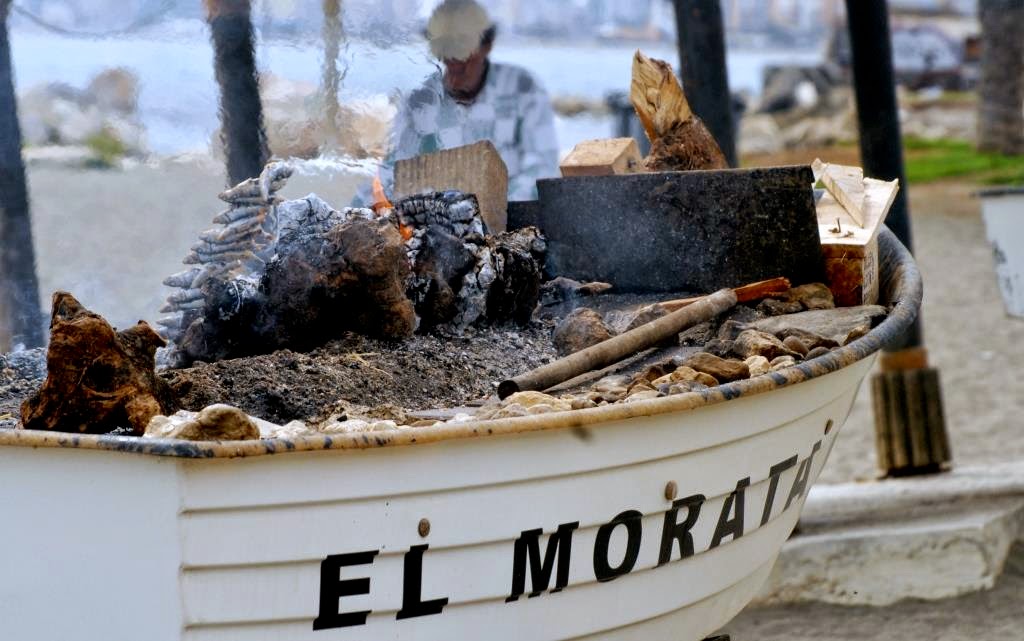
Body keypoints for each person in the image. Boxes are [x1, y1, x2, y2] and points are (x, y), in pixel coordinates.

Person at [355, 0, 559, 206]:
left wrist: (491, 206)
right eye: (444, 46)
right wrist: (358, 209)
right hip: (434, 223)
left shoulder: (522, 89)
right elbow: (392, 171)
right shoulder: (420, 102)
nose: (453, 58)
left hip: (512, 223)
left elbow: (542, 169)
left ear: (486, 45)